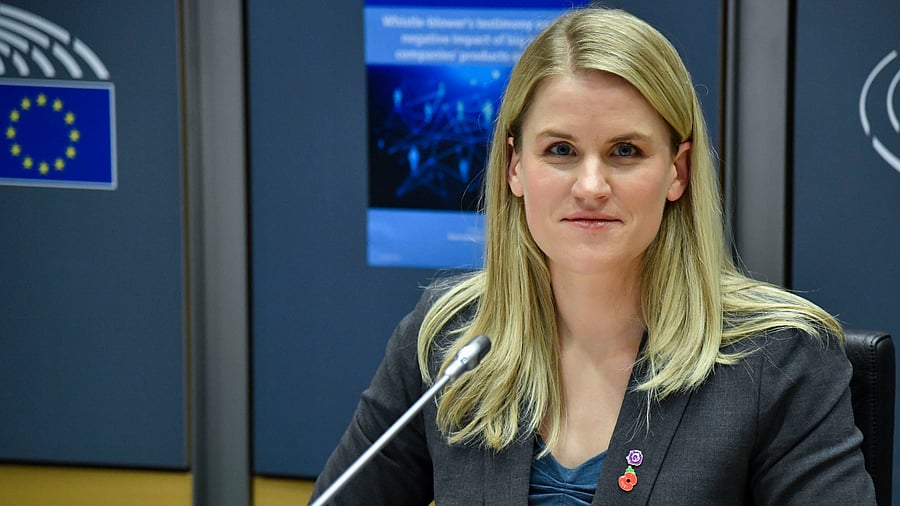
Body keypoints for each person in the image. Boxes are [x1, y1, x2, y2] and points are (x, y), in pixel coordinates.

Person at [310, 6, 876, 505]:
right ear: (515, 168)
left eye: (625, 151)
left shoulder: (781, 360)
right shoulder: (448, 340)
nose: (590, 186)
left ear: (677, 172)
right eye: (560, 150)